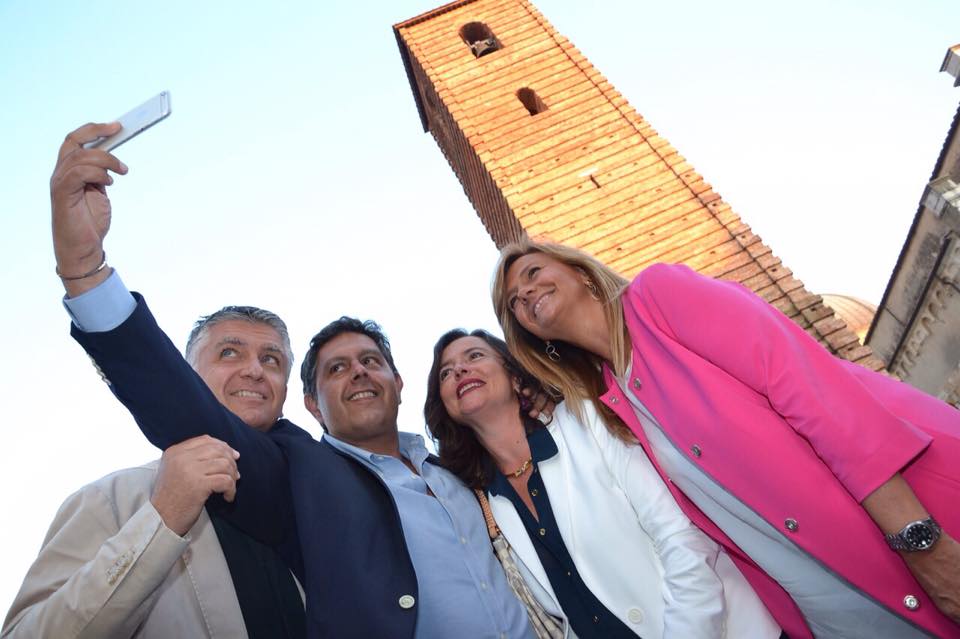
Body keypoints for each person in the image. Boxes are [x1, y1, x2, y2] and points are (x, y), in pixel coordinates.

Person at [49, 121, 540, 638]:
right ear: (308, 404)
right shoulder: (299, 473)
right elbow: (185, 407)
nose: (358, 372)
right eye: (336, 368)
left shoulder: (460, 470)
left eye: (371, 362)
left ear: (399, 382)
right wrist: (85, 271)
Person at [491, 237, 960, 639]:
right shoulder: (613, 405)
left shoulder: (659, 299)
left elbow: (813, 394)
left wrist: (921, 540)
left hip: (913, 537)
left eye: (533, 272)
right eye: (513, 300)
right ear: (532, 337)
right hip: (835, 610)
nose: (526, 292)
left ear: (581, 273)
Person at [425, 328, 783, 638]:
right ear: (446, 407)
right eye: (445, 373)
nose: (459, 369)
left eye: (474, 355)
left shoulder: (585, 420)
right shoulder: (485, 502)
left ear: (516, 377)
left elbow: (682, 538)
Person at [2, 305, 306, 639]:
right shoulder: (113, 498)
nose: (254, 370)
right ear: (185, 376)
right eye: (230, 352)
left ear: (285, 391)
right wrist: (163, 518)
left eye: (271, 360)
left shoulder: (312, 505)